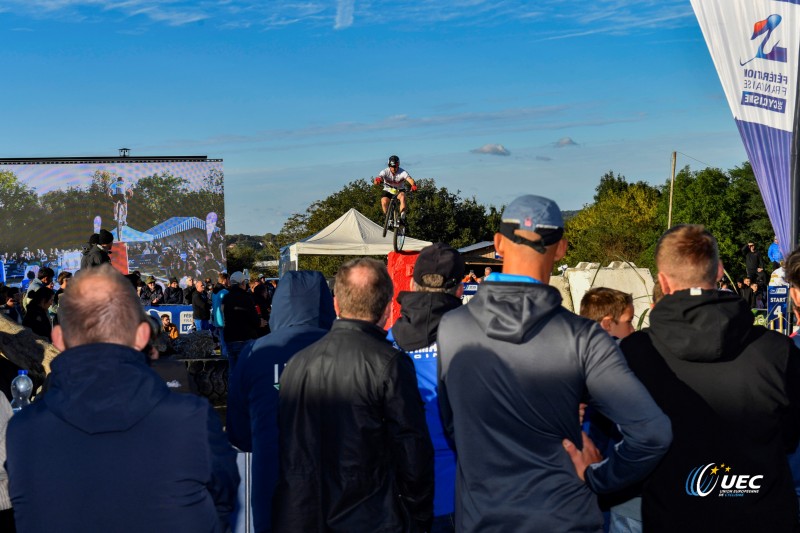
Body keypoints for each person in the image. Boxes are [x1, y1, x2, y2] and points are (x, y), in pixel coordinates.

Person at [437, 195, 671, 532]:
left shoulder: (453, 327)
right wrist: (600, 477)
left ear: (499, 244)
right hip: (564, 516)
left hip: (483, 516)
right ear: (561, 249)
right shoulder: (584, 337)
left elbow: (454, 426)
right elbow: (653, 433)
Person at [6, 264, 239, 532]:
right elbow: (224, 500)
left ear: (57, 338)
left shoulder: (24, 430)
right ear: (142, 335)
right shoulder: (192, 418)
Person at [621, 225, 800, 532]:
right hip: (763, 514)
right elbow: (789, 435)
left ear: (662, 281)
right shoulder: (776, 350)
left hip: (673, 514)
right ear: (719, 271)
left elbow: (628, 439)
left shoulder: (635, 354)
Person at [273, 257, 434, 532]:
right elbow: (412, 451)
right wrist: (417, 516)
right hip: (369, 516)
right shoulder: (390, 364)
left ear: (336, 304)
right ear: (387, 309)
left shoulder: (298, 363)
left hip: (306, 514)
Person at [227, 270, 336, 533]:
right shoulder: (347, 346)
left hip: (274, 483)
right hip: (337, 485)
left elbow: (239, 434)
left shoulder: (255, 353)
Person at [390, 243, 464, 532]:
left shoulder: (383, 343)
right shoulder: (477, 342)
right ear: (459, 290)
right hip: (457, 492)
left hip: (396, 492)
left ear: (411, 282)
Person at [222, 271, 261, 368]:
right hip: (245, 338)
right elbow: (254, 318)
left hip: (230, 338)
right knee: (245, 371)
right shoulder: (246, 298)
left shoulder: (225, 298)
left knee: (233, 371)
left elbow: (223, 316)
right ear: (242, 283)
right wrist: (260, 323)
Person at [373, 154, 418, 223]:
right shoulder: (384, 172)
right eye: (391, 167)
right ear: (389, 166)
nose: (393, 169)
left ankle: (403, 218)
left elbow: (410, 179)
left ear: (398, 165)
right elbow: (377, 179)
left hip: (399, 190)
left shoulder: (403, 172)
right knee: (383, 201)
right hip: (388, 190)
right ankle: (388, 217)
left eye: (395, 167)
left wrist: (413, 185)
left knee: (402, 197)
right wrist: (377, 181)